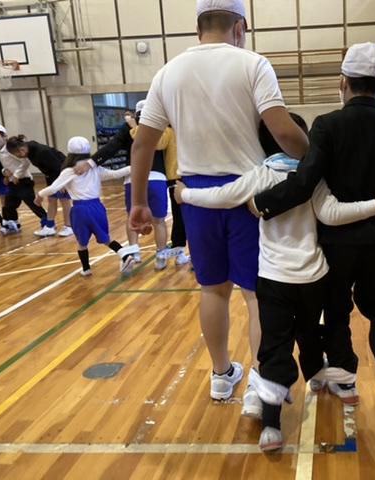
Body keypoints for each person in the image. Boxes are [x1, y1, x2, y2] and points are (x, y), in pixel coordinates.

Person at [129, 0, 309, 415]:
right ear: (240, 27)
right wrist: (316, 163)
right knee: (256, 295)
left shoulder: (167, 72)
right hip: (248, 196)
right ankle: (260, 385)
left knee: (213, 289)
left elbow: (143, 144)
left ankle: (220, 374)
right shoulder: (253, 64)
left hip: (196, 197)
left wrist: (138, 201)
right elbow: (284, 132)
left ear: (198, 28)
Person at [176, 113, 375, 451]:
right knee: (310, 331)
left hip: (275, 279)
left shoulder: (260, 176)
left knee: (275, 347)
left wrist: (185, 195)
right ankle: (321, 376)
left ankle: (271, 427)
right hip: (313, 276)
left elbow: (221, 196)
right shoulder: (314, 178)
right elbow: (332, 214)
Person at [251, 43, 375, 423]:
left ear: (343, 82)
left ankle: (345, 378)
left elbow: (304, 183)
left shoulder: (327, 125)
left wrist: (262, 203)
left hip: (337, 242)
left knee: (337, 312)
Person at [35, 137, 136, 276]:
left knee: (82, 242)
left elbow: (53, 188)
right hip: (97, 207)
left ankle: (86, 269)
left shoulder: (69, 171)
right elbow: (115, 174)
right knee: (106, 238)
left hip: (80, 209)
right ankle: (124, 255)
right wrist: (134, 167)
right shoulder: (94, 168)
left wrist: (39, 195)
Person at [124, 100, 186, 270]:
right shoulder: (168, 130)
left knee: (182, 219)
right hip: (176, 177)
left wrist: (134, 128)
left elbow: (152, 143)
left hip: (184, 175)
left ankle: (177, 253)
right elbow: (156, 143)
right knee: (178, 218)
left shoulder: (173, 129)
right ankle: (177, 253)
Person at [6, 135, 73, 237]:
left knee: (64, 200)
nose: (18, 157)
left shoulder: (42, 152)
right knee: (51, 199)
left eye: (17, 154)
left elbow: (58, 166)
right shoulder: (29, 151)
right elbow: (48, 170)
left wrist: (62, 183)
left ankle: (69, 226)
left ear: (21, 149)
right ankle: (49, 226)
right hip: (51, 175)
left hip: (62, 173)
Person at [0, 133, 49, 236]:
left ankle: (47, 223)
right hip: (12, 183)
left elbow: (25, 162)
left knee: (32, 203)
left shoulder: (11, 150)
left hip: (24, 181)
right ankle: (14, 224)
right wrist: (5, 173)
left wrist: (16, 175)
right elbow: (5, 167)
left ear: (3, 136)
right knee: (9, 204)